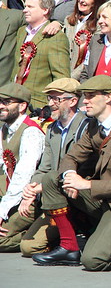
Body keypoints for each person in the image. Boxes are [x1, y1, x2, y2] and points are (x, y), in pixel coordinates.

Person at [31, 75, 111, 270]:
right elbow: (71, 157)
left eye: (90, 96)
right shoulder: (94, 126)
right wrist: (69, 178)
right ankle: (69, 247)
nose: (85, 101)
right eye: (84, 96)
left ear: (108, 97)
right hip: (104, 197)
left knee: (92, 261)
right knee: (51, 179)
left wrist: (86, 184)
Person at [18, 78, 87, 257]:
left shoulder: (86, 127)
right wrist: (31, 189)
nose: (50, 104)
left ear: (73, 101)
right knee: (27, 247)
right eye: (49, 98)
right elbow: (44, 168)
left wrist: (43, 187)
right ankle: (61, 237)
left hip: (79, 196)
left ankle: (72, 239)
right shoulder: (52, 129)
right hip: (54, 194)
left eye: (56, 99)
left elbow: (84, 171)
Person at [0, 83, 45, 252]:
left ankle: (37, 235)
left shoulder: (31, 132)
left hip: (28, 199)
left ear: (22, 106)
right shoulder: (4, 129)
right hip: (8, 193)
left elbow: (23, 176)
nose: (1, 106)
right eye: (0, 101)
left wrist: (2, 211)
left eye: (7, 102)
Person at [11, 0, 70, 107]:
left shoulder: (56, 37)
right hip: (13, 101)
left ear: (45, 10)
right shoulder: (21, 32)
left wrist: (52, 106)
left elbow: (61, 78)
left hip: (36, 105)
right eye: (25, 6)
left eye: (30, 7)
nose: (24, 10)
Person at [64, 0, 104, 80]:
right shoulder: (68, 20)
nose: (81, 0)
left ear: (96, 2)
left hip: (80, 78)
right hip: (62, 73)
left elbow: (91, 57)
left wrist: (72, 78)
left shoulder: (99, 26)